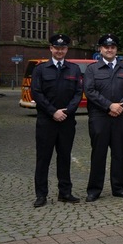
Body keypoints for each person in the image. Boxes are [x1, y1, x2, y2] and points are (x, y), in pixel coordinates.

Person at [84, 34, 123, 202]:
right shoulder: (92, 69)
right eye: (106, 47)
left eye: (113, 47)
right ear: (100, 49)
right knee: (98, 154)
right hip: (100, 117)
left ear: (116, 49)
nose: (109, 49)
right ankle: (94, 189)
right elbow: (90, 91)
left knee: (119, 154)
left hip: (121, 117)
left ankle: (119, 187)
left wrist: (120, 105)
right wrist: (109, 105)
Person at [31, 34, 83, 207]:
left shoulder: (74, 69)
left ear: (66, 49)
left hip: (67, 121)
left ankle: (65, 192)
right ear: (51, 48)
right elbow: (37, 93)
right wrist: (53, 112)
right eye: (57, 48)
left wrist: (67, 111)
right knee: (43, 158)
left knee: (65, 157)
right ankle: (41, 194)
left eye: (63, 48)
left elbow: (77, 93)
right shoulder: (40, 69)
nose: (60, 51)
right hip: (47, 121)